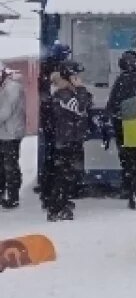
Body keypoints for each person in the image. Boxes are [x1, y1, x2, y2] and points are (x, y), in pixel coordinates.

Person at [40, 61, 92, 221]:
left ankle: (60, 202)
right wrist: (82, 89)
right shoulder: (63, 94)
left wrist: (82, 92)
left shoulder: (68, 92)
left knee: (67, 174)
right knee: (63, 175)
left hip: (71, 138)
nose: (79, 79)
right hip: (67, 140)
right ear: (69, 77)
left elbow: (85, 103)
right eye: (76, 76)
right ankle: (56, 208)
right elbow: (80, 107)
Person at [105, 50, 136, 209]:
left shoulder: (120, 82)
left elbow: (112, 108)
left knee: (131, 164)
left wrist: (115, 131)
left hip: (128, 131)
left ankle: (133, 193)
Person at [36, 41, 72, 202]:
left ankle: (47, 190)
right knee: (58, 160)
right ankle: (52, 194)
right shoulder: (56, 73)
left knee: (51, 158)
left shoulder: (45, 69)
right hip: (57, 122)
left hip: (49, 121)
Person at [0, 62, 27, 209]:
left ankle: (13, 197)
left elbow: (4, 112)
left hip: (11, 133)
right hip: (3, 133)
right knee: (3, 167)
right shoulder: (4, 87)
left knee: (10, 167)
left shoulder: (12, 88)